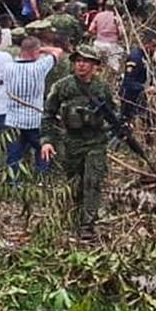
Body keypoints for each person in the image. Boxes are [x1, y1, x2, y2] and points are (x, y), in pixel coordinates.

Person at [40, 45, 114, 239]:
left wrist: (120, 129)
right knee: (75, 183)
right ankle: (75, 216)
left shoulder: (102, 88)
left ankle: (87, 225)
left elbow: (113, 113)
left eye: (86, 61)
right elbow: (48, 114)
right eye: (78, 61)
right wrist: (47, 141)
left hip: (96, 141)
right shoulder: (63, 86)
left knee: (93, 180)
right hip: (71, 142)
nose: (81, 65)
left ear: (94, 65)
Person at [3, 36, 61, 181]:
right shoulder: (40, 67)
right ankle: (42, 179)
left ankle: (13, 183)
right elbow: (58, 51)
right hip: (35, 119)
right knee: (43, 151)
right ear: (36, 51)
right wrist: (42, 49)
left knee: (14, 155)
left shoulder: (8, 67)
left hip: (13, 121)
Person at [121, 29, 156, 128]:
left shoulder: (148, 57)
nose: (155, 49)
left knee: (150, 120)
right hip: (130, 97)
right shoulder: (135, 57)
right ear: (146, 44)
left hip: (142, 97)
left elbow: (153, 69)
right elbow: (128, 82)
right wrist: (144, 88)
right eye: (153, 46)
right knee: (128, 124)